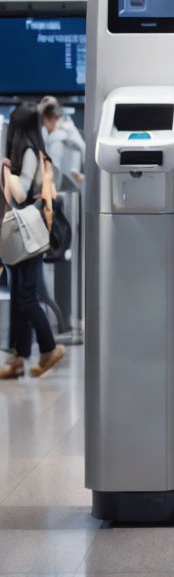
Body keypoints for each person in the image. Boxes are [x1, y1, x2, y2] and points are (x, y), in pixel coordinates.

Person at [0, 103, 66, 379]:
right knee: (19, 296)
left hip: (30, 232)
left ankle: (49, 348)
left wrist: (5, 170)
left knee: (26, 297)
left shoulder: (27, 153)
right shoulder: (31, 150)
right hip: (26, 232)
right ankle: (19, 358)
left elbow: (20, 192)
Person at [38, 96, 85, 185]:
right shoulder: (42, 132)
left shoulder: (68, 130)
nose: (51, 120)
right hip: (46, 183)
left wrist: (75, 171)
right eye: (47, 118)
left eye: (53, 117)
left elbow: (81, 148)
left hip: (68, 181)